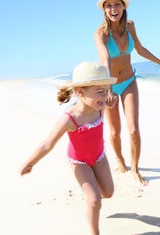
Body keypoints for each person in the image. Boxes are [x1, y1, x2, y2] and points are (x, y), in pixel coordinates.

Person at [20, 61, 117, 235]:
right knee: (95, 201)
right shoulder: (70, 118)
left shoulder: (100, 106)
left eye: (107, 89)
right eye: (99, 91)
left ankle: (91, 197)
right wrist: (30, 162)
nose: (104, 96)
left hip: (99, 156)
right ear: (80, 92)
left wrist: (110, 101)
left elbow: (107, 101)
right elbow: (47, 143)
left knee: (108, 193)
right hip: (79, 162)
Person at [94, 0, 160, 186]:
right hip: (109, 85)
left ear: (123, 6)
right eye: (109, 5)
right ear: (104, 9)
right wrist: (109, 88)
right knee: (113, 132)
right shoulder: (100, 33)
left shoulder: (130, 26)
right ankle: (120, 160)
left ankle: (135, 169)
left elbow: (140, 49)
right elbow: (105, 60)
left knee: (134, 129)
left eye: (116, 4)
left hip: (129, 82)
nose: (113, 9)